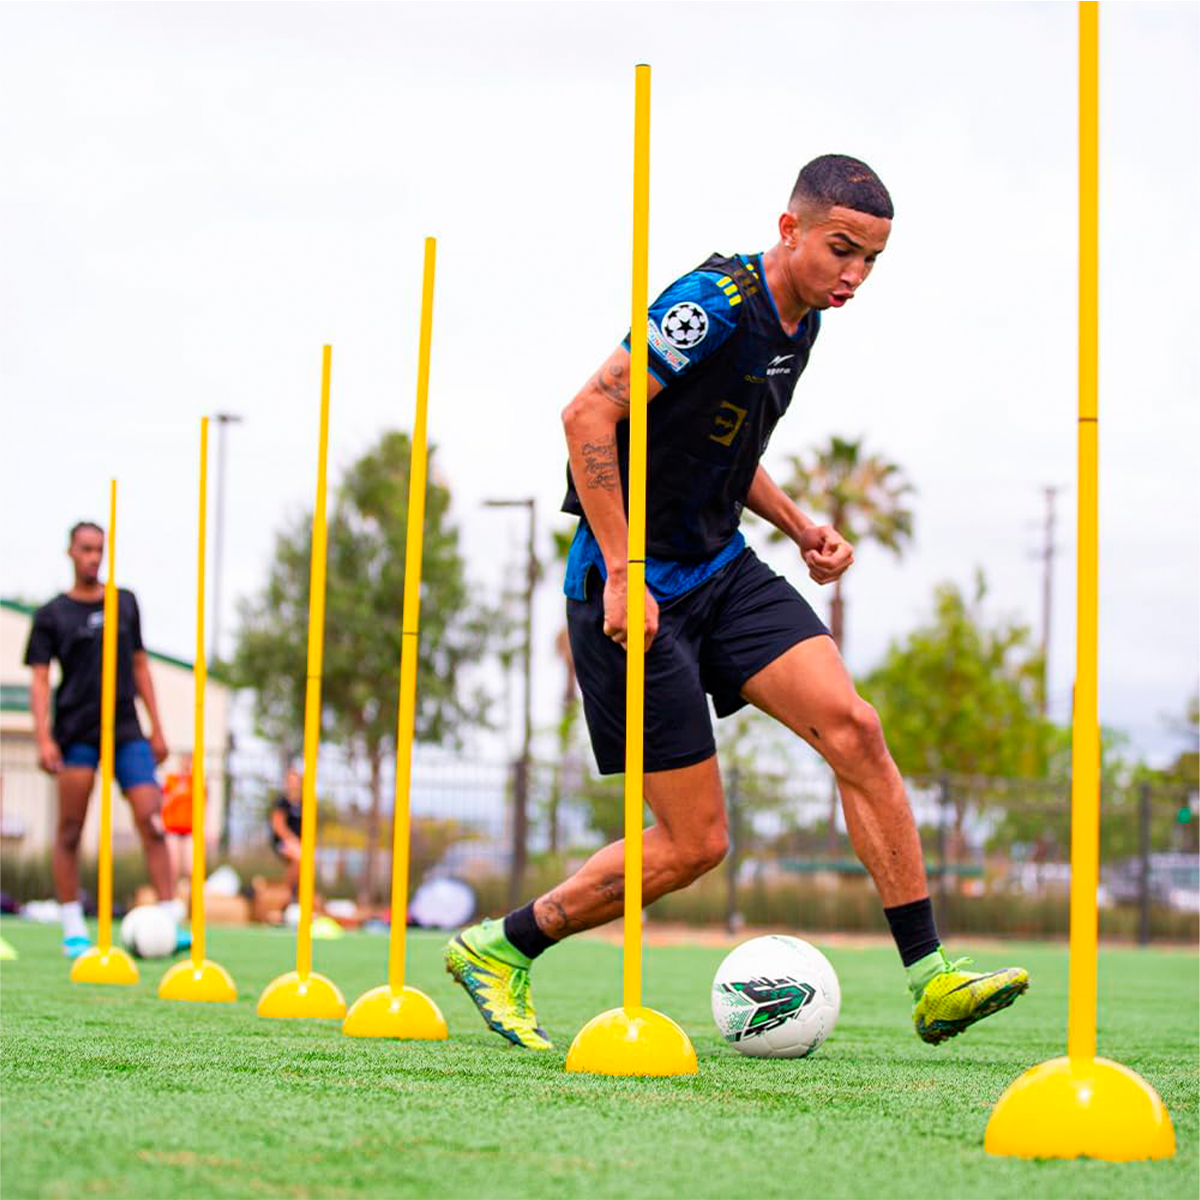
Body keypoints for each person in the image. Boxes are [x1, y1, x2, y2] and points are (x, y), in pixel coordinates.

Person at [446, 155, 1028, 1049]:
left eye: (871, 261)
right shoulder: (711, 305)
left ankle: (932, 978)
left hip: (722, 570)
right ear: (790, 229)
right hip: (630, 587)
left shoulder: (807, 321)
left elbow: (724, 447)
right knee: (695, 845)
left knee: (855, 729)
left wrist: (801, 527)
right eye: (842, 250)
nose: (854, 275)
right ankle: (501, 947)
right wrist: (624, 571)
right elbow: (586, 416)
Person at [25, 521, 184, 957]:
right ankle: (73, 928)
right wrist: (43, 738)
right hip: (76, 731)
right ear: (71, 553)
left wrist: (158, 728)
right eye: (86, 549)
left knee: (152, 819)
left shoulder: (124, 602)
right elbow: (39, 681)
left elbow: (140, 665)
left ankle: (170, 919)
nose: (93, 557)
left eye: (99, 549)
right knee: (70, 829)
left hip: (127, 729)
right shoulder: (51, 615)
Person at [269, 767, 304, 899]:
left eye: (295, 781)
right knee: (299, 858)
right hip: (284, 841)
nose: (293, 784)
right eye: (290, 781)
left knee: (304, 862)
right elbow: (278, 825)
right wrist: (292, 840)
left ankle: (297, 892)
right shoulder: (282, 802)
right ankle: (287, 891)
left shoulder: (304, 802)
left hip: (299, 842)